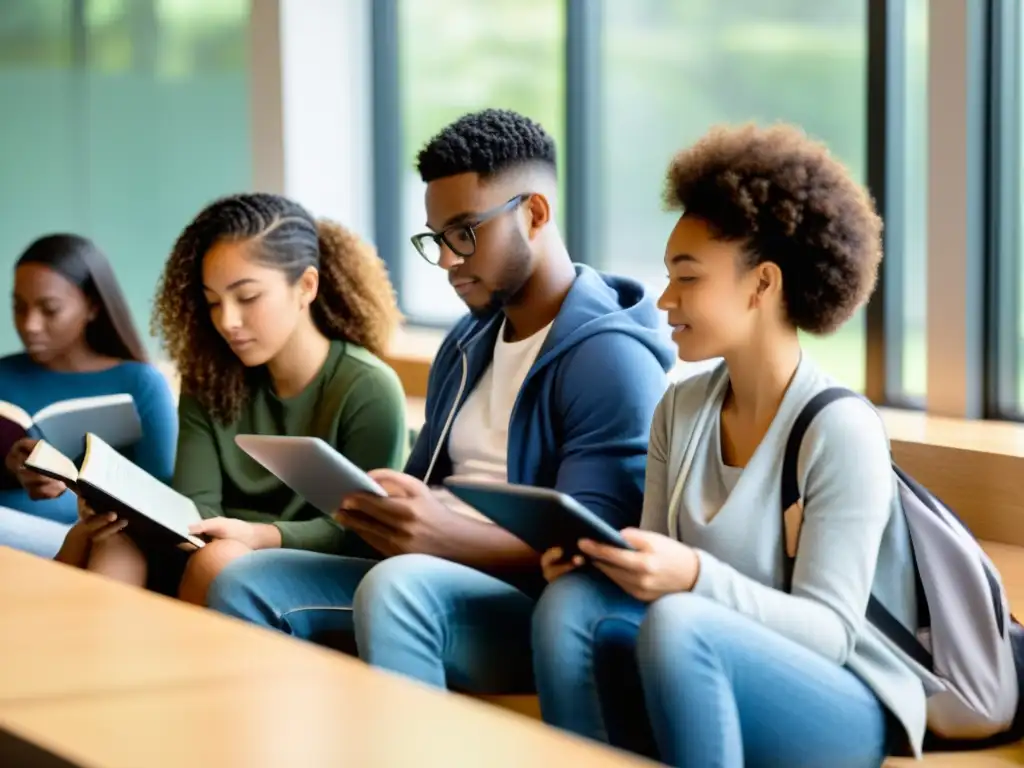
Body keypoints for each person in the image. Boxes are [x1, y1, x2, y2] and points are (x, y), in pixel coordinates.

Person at [207, 108, 676, 693]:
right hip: (426, 574)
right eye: (437, 239)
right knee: (241, 582)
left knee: (396, 587)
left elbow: (593, 548)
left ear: (534, 214)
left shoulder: (609, 358)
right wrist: (395, 502)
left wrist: (440, 536)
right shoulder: (468, 339)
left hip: (533, 608)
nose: (450, 260)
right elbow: (428, 481)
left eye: (464, 233)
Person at [530, 123, 924, 767]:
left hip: (844, 701)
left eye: (687, 279)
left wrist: (692, 576)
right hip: (698, 662)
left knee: (683, 626)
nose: (664, 300)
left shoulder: (840, 429)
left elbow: (830, 633)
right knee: (571, 604)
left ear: (762, 284)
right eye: (667, 277)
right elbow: (654, 579)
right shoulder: (680, 409)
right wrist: (606, 565)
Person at [78, 192, 407, 603]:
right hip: (220, 544)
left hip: (320, 561)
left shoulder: (367, 387)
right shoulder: (211, 379)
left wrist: (257, 536)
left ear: (306, 286)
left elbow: (360, 529)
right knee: (115, 538)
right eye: (213, 302)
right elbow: (198, 505)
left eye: (247, 297)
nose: (227, 321)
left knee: (221, 560)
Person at [0, 234, 177, 559]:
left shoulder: (140, 382)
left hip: (89, 536)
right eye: (18, 307)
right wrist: (13, 470)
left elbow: (163, 497)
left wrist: (71, 486)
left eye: (49, 310)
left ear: (93, 306)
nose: (30, 325)